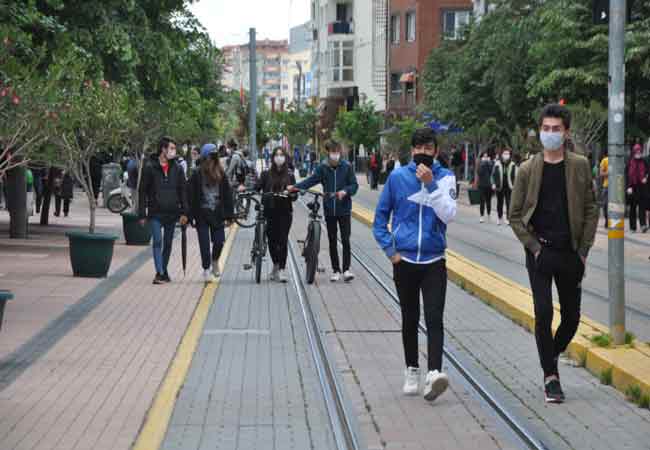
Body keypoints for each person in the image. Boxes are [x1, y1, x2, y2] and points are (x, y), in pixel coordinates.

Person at [510, 104, 598, 404]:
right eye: (545, 128)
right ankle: (551, 377)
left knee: (572, 318)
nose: (550, 134)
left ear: (566, 132)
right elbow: (515, 215)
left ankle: (551, 354)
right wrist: (534, 248)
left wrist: (584, 251)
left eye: (555, 129)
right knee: (544, 313)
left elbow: (590, 207)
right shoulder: (526, 170)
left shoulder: (580, 165)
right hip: (540, 253)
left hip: (570, 253)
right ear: (540, 131)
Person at [373, 127, 457, 402]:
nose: (423, 152)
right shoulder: (397, 178)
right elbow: (380, 220)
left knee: (434, 318)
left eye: (428, 148)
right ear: (412, 151)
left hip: (434, 260)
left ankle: (434, 373)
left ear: (435, 151)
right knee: (410, 318)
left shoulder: (445, 178)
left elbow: (449, 215)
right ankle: (412, 369)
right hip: (405, 260)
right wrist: (391, 251)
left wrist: (431, 184)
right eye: (418, 148)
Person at [291, 140, 359, 282]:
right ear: (328, 153)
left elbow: (354, 185)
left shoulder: (347, 167)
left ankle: (346, 269)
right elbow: (311, 180)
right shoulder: (323, 168)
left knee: (345, 239)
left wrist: (345, 191)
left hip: (344, 209)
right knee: (332, 240)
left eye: (337, 151)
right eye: (333, 152)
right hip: (329, 209)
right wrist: (296, 187)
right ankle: (336, 270)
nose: (335, 154)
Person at [138, 137, 189, 285]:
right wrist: (142, 214)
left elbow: (182, 191)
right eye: (171, 148)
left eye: (174, 148)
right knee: (157, 241)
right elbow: (142, 191)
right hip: (155, 212)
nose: (174, 151)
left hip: (172, 213)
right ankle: (160, 272)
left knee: (167, 243)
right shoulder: (150, 167)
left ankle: (162, 272)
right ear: (163, 149)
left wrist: (184, 212)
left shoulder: (178, 168)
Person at [188, 144, 234, 283]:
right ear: (204, 158)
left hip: (217, 213)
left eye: (214, 156)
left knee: (219, 241)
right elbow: (190, 196)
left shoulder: (221, 173)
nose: (211, 159)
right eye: (209, 156)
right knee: (204, 243)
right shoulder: (196, 174)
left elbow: (227, 195)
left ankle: (215, 261)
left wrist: (229, 215)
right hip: (201, 213)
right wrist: (189, 215)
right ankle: (206, 269)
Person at [256, 147, 297, 282]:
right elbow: (257, 187)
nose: (279, 157)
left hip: (285, 212)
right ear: (273, 157)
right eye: (277, 155)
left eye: (281, 155)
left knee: (283, 240)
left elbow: (295, 195)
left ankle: (282, 269)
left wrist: (290, 193)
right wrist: (246, 188)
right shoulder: (266, 174)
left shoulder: (290, 175)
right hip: (269, 211)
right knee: (272, 241)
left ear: (285, 158)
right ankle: (276, 265)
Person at [626, 144, 648, 233]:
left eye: (639, 151)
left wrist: (646, 178)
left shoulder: (644, 161)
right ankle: (632, 227)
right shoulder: (630, 162)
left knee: (642, 207)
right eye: (637, 151)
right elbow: (627, 175)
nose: (638, 152)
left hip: (642, 186)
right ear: (634, 152)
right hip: (633, 187)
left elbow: (648, 172)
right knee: (633, 208)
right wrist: (628, 187)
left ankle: (643, 225)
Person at [491, 149, 517, 226]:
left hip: (509, 187)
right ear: (502, 154)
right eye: (505, 153)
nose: (506, 155)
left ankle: (508, 219)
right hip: (499, 187)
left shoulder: (512, 164)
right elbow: (493, 175)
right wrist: (493, 183)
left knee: (509, 203)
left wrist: (515, 185)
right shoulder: (497, 163)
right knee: (500, 203)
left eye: (507, 153)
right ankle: (500, 218)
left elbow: (516, 176)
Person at [477, 152, 494, 223]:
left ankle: (489, 215)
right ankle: (481, 216)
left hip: (489, 185)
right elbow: (479, 172)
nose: (485, 158)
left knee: (488, 201)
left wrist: (488, 163)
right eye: (484, 157)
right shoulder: (480, 164)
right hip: (481, 185)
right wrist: (483, 164)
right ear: (482, 158)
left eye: (486, 156)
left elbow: (491, 171)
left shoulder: (490, 164)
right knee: (482, 201)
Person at [599, 149, 609, 228]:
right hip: (607, 186)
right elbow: (601, 173)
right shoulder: (605, 160)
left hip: (617, 186)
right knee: (605, 204)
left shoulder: (620, 160)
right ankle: (607, 220)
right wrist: (609, 173)